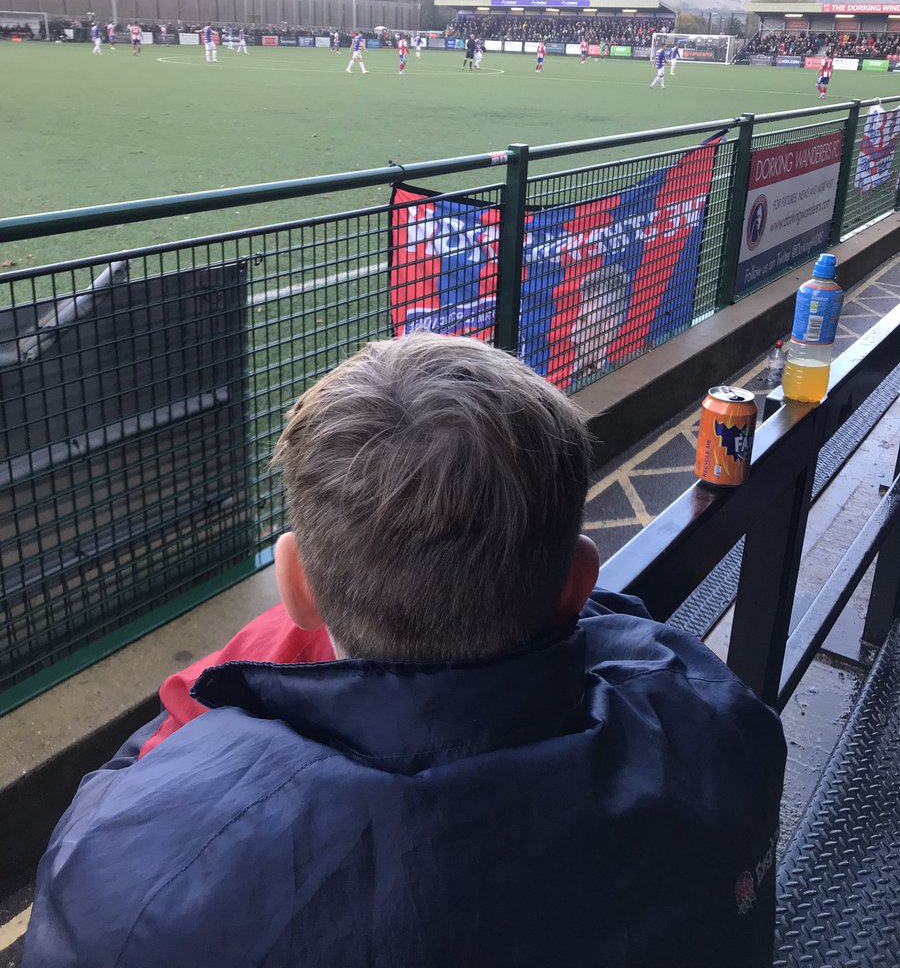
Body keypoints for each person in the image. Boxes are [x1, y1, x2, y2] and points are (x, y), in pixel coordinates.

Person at [25, 333, 785, 968]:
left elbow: (135, 787)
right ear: (575, 584)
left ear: (296, 583)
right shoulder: (719, 726)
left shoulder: (130, 872)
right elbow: (627, 637)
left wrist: (261, 664)